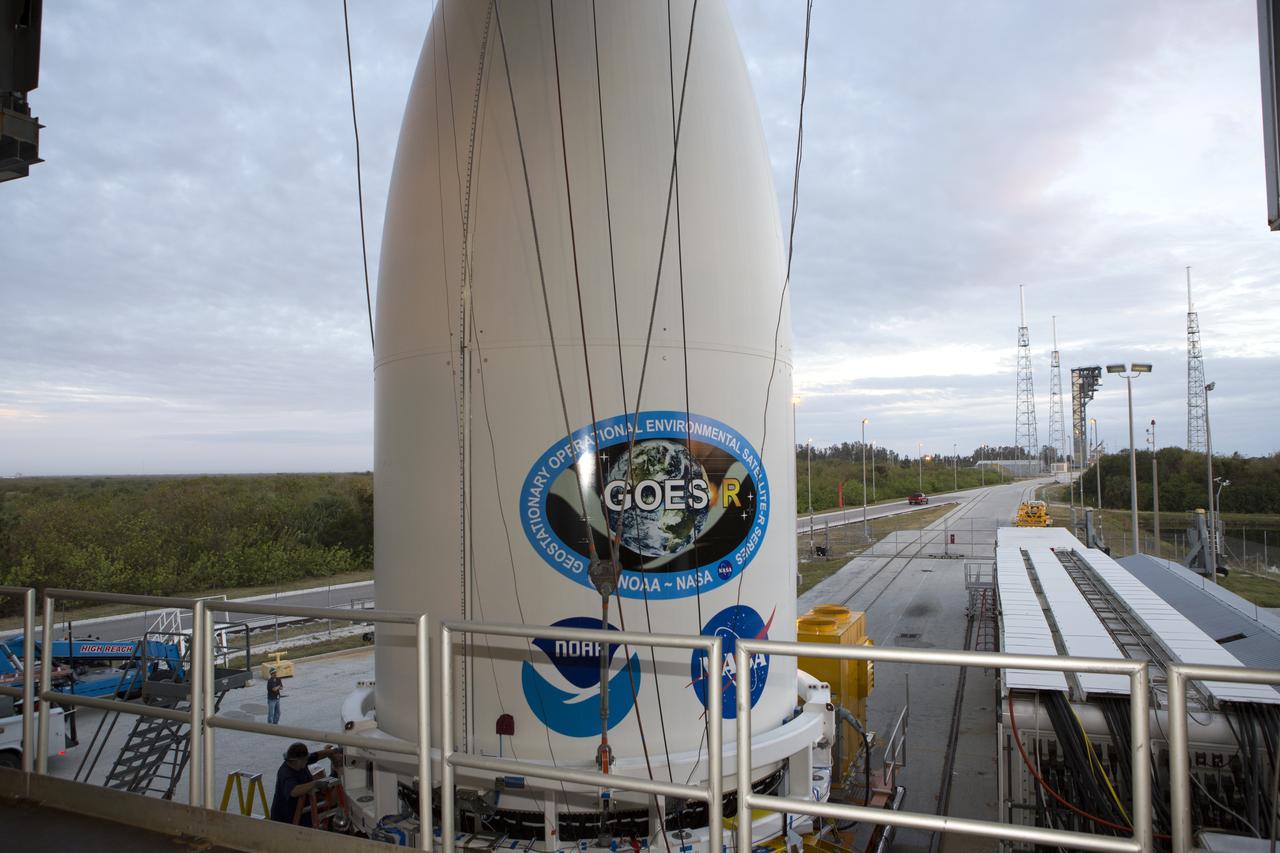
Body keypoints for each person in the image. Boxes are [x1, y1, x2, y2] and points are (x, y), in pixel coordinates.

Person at [270, 741, 341, 825]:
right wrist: (314, 783)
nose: (307, 760)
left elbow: (316, 755)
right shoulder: (286, 774)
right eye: (305, 759)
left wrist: (333, 751)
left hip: (302, 805)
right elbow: (294, 791)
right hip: (287, 817)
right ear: (297, 760)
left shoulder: (299, 762)